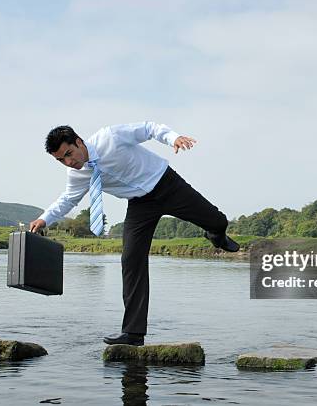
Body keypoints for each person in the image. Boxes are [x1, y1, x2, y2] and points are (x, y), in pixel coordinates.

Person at [29, 122, 239, 346]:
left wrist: (173, 138)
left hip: (166, 184)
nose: (69, 162)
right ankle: (133, 333)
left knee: (218, 220)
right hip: (140, 205)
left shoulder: (110, 137)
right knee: (131, 260)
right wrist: (44, 219)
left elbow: (148, 128)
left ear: (79, 142)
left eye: (69, 154)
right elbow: (68, 199)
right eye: (61, 160)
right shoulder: (76, 174)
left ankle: (216, 235)